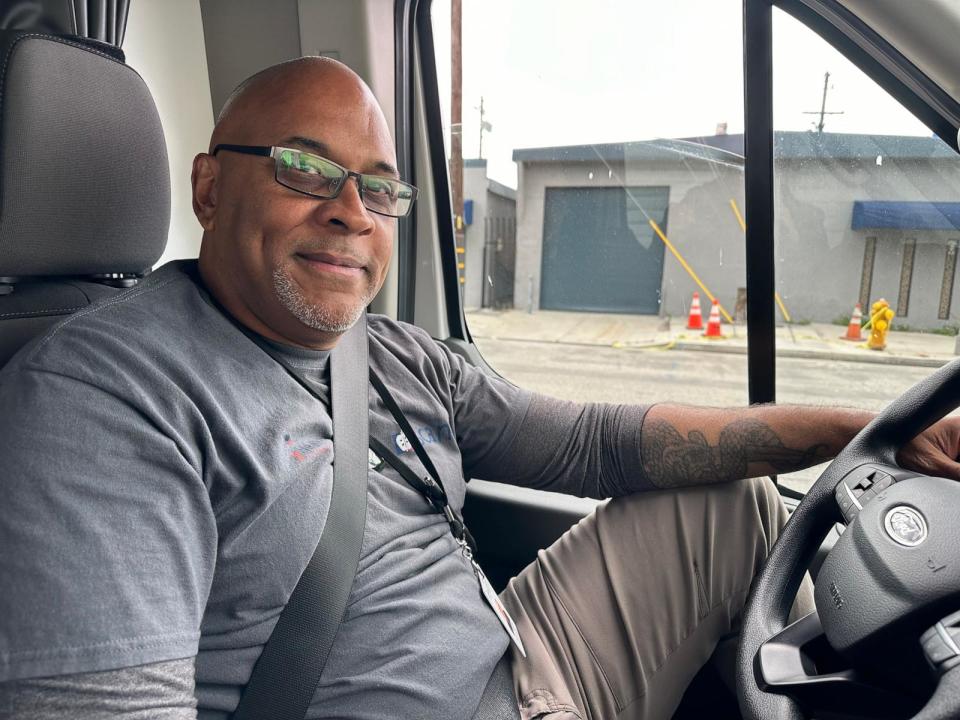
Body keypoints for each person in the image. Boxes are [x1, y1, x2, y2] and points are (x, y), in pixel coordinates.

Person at [1, 57, 958, 720]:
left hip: (523, 653)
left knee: (732, 504)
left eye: (379, 189)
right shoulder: (101, 399)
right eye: (304, 168)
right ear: (209, 188)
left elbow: (600, 443)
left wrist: (858, 427)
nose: (348, 210)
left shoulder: (397, 355)